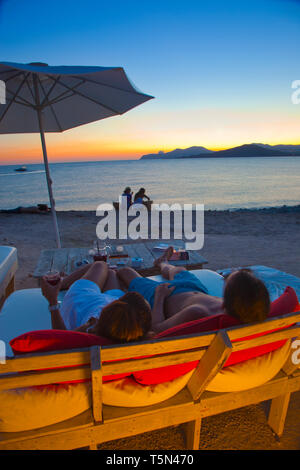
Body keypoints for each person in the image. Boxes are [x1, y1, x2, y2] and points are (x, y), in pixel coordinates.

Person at [117, 247, 270, 333]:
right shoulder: (241, 307)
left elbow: (157, 329)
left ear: (227, 301)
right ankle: (163, 262)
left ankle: (162, 264)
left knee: (125, 272)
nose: (224, 277)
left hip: (166, 294)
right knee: (178, 270)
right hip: (195, 289)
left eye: (226, 280)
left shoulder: (198, 312)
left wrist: (159, 297)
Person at [41, 261, 152, 343]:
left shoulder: (90, 329)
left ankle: (62, 283)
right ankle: (110, 274)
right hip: (121, 311)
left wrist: (53, 301)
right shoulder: (135, 331)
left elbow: (61, 341)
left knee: (100, 265)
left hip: (84, 301)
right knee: (111, 273)